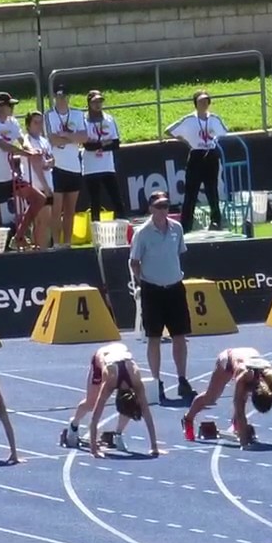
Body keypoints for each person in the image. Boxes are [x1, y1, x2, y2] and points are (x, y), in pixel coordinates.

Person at [130, 191, 197, 402]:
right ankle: (157, 380)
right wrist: (144, 283)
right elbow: (134, 262)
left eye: (166, 206)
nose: (163, 210)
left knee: (180, 336)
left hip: (175, 287)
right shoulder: (142, 233)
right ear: (150, 208)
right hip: (153, 290)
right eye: (159, 206)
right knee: (154, 338)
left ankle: (182, 379)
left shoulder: (177, 228)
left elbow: (178, 253)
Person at [182, 348, 272, 449]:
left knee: (242, 396)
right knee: (211, 397)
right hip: (228, 359)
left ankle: (237, 424)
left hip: (249, 354)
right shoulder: (244, 375)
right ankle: (188, 419)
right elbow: (239, 407)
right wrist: (244, 444)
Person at [64, 342, 160, 458]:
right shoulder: (110, 381)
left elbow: (146, 413)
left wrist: (154, 447)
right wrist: (94, 450)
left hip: (120, 353)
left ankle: (117, 434)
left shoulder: (136, 381)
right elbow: (95, 417)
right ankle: (74, 424)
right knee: (91, 403)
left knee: (130, 407)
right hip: (103, 358)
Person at [0, 92, 36, 255]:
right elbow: (1, 144)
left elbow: (22, 139)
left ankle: (19, 237)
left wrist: (29, 149)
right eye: (9, 105)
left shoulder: (13, 122)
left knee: (38, 199)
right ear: (0, 107)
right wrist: (23, 153)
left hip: (10, 177)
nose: (12, 108)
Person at [166, 90, 230, 233]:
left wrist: (216, 139)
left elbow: (225, 132)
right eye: (201, 101)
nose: (204, 103)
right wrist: (186, 141)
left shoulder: (214, 118)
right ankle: (186, 226)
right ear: (195, 103)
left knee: (212, 190)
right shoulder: (190, 119)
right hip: (196, 155)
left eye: (206, 100)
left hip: (211, 155)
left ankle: (216, 222)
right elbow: (169, 130)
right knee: (191, 192)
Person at [44, 84, 88, 250]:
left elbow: (84, 137)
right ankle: (56, 243)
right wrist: (73, 138)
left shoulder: (77, 114)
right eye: (59, 96)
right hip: (57, 167)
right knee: (57, 209)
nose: (62, 99)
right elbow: (52, 139)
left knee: (70, 210)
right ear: (55, 97)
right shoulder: (49, 115)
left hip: (74, 167)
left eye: (65, 96)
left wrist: (67, 135)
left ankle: (67, 243)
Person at [83, 90, 124, 224]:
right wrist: (104, 143)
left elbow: (116, 143)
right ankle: (96, 231)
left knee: (116, 198)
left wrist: (99, 145)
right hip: (90, 167)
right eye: (95, 102)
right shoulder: (84, 120)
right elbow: (87, 146)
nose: (98, 105)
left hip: (107, 166)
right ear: (89, 103)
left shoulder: (109, 119)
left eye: (100, 101)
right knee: (95, 201)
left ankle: (123, 225)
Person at [16, 111, 54, 251]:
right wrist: (45, 186)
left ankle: (38, 248)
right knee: (42, 221)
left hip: (47, 182)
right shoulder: (28, 141)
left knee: (44, 221)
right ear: (28, 125)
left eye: (41, 122)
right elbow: (36, 164)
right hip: (37, 185)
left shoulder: (44, 141)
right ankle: (40, 250)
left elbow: (50, 160)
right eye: (35, 123)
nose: (39, 126)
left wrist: (49, 163)